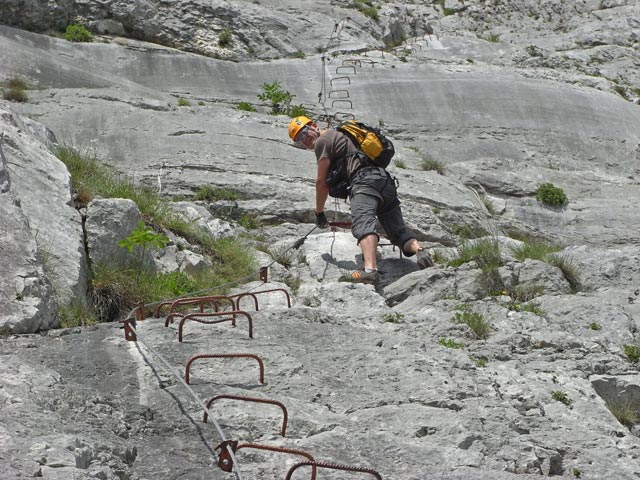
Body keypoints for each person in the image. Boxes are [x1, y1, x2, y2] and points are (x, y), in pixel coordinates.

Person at [288, 115, 434, 284]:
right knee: (397, 231)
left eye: (304, 133)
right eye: (298, 139)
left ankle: (370, 270)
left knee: (363, 225)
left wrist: (319, 212)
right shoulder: (344, 134)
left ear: (313, 126)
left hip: (363, 183)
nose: (304, 140)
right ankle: (420, 251)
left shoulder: (323, 141)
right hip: (384, 181)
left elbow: (321, 182)